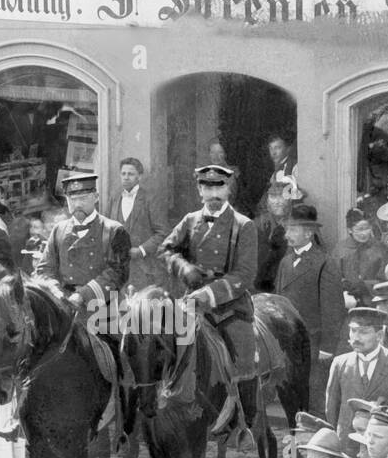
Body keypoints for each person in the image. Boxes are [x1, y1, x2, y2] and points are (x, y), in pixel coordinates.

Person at [161, 164, 259, 438]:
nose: (213, 192)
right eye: (207, 187)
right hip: (190, 301)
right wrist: (183, 268)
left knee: (242, 354)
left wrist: (209, 294)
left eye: (219, 187)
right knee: (163, 345)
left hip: (229, 304)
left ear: (229, 189)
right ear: (200, 190)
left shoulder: (244, 225)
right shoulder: (190, 220)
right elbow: (166, 249)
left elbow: (245, 274)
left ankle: (244, 420)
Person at [276, 203, 345, 402]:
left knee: (312, 396)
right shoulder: (286, 262)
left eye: (293, 229)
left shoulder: (325, 263)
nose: (287, 234)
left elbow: (333, 309)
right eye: (287, 229)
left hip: (312, 343)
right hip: (287, 342)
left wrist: (327, 347)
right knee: (289, 393)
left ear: (308, 233)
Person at [37, 172, 130, 319]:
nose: (77, 204)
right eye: (72, 199)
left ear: (96, 197)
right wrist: (55, 291)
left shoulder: (114, 230)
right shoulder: (59, 230)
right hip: (65, 308)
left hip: (105, 309)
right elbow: (44, 269)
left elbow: (117, 273)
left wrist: (83, 295)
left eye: (83, 198)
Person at [326, 306, 388, 434]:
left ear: (379, 335)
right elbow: (331, 410)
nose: (356, 338)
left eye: (363, 332)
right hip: (347, 445)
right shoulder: (340, 363)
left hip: (383, 446)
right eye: (353, 331)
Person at [103, 157, 167, 292]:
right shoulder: (114, 198)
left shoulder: (150, 198)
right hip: (118, 270)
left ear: (139, 176)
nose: (126, 177)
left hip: (144, 268)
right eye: (123, 174)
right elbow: (106, 229)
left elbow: (163, 232)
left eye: (131, 174)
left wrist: (142, 250)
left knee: (143, 309)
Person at [332, 209, 388, 308]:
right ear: (350, 229)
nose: (364, 233)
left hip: (374, 302)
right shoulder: (341, 249)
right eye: (359, 229)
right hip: (347, 302)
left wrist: (365, 286)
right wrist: (344, 285)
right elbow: (332, 276)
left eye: (367, 228)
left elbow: (387, 279)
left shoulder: (380, 248)